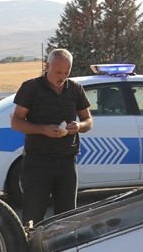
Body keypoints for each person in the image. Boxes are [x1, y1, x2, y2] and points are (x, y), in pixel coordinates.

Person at [10, 48, 93, 225]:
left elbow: (88, 120)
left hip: (67, 161)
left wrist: (78, 126)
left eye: (66, 72)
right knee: (33, 216)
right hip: (38, 161)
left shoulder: (75, 89)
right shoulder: (31, 87)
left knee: (68, 218)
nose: (61, 77)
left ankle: (66, 251)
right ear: (47, 66)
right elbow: (16, 122)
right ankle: (31, 251)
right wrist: (43, 129)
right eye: (57, 72)